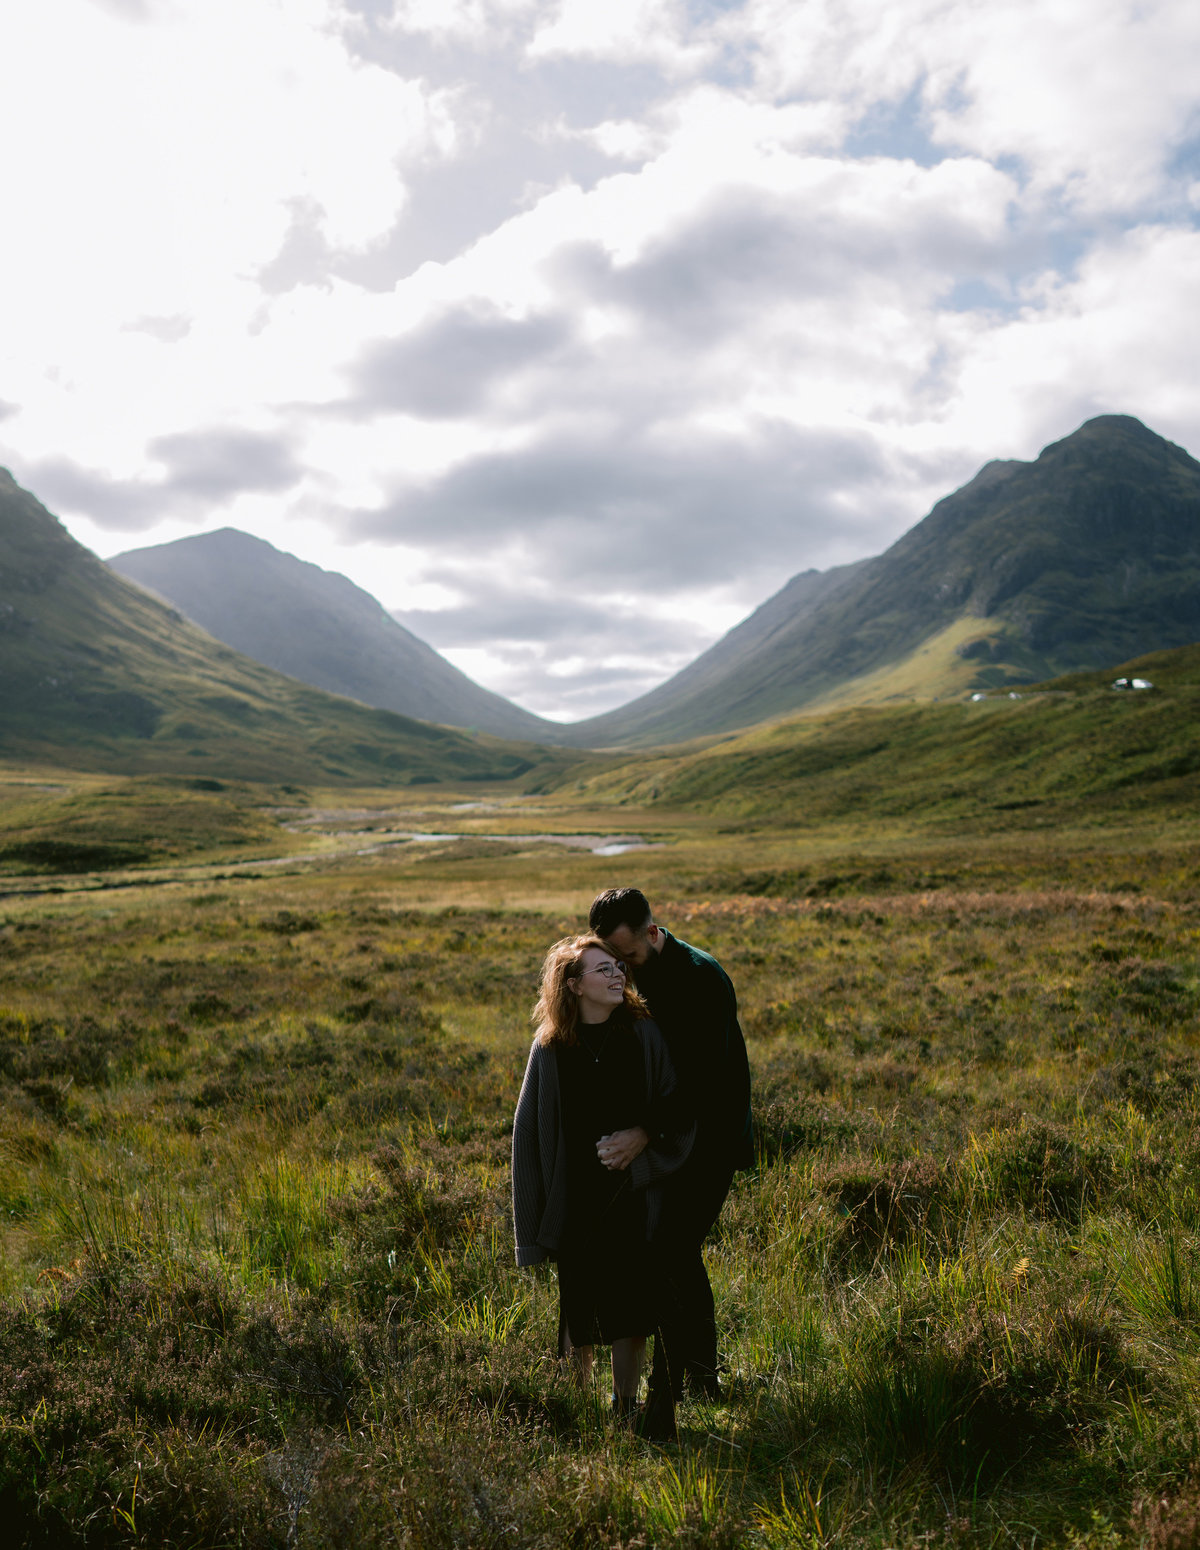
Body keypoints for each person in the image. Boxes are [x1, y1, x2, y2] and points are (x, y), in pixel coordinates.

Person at [511, 934, 693, 1428]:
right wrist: (528, 1234)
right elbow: (527, 1134)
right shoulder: (550, 1047)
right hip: (574, 1199)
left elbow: (677, 1106)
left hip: (632, 1193)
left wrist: (646, 1152)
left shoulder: (643, 1033)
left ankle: (624, 1408)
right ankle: (578, 1409)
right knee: (579, 1305)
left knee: (631, 1305)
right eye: (602, 969)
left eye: (618, 966)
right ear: (572, 985)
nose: (617, 974)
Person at [589, 887, 752, 1419]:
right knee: (670, 1251)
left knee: (674, 1250)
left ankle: (685, 1382)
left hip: (709, 1142)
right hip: (668, 1141)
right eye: (613, 961)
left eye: (629, 958)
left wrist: (642, 1133)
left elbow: (703, 1084)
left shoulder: (701, 979)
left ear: (651, 934)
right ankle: (695, 1377)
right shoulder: (632, 973)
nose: (622, 971)